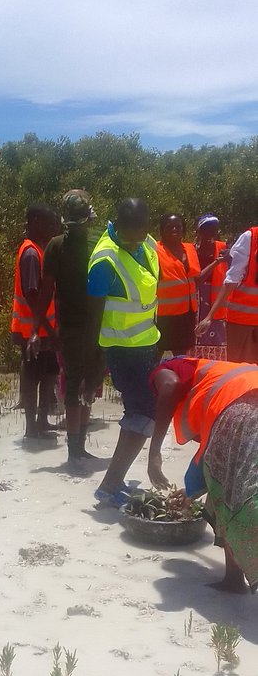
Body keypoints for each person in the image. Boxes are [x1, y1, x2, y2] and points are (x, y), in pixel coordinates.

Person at [148, 355, 258, 592]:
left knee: (228, 495)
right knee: (233, 486)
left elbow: (169, 385)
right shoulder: (218, 373)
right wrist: (190, 490)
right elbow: (209, 456)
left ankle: (235, 578)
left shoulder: (168, 369)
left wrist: (153, 453)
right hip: (245, 410)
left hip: (242, 415)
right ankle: (233, 578)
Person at [87, 198, 160, 506]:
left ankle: (113, 482)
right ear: (118, 224)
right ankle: (109, 485)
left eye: (141, 232)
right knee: (143, 416)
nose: (136, 239)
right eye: (130, 233)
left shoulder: (148, 243)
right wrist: (93, 365)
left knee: (144, 413)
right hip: (122, 351)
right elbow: (92, 315)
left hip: (147, 345)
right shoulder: (104, 260)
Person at [33, 189, 103, 468]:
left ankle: (77, 448)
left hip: (79, 328)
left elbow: (45, 292)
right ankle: (76, 449)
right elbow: (46, 290)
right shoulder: (95, 243)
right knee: (80, 387)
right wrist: (44, 330)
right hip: (88, 328)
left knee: (82, 387)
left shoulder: (57, 245)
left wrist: (43, 329)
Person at [11, 205, 59, 439]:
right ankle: (31, 426)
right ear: (36, 222)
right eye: (50, 224)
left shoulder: (39, 250)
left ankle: (42, 420)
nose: (53, 229)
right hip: (34, 330)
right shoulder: (30, 253)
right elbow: (31, 295)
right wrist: (47, 329)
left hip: (43, 328)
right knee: (32, 377)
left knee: (49, 373)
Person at [197, 224, 258, 364]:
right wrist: (210, 316)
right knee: (240, 372)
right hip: (243, 324)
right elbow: (231, 280)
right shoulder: (251, 238)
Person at [156, 214, 203, 354]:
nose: (175, 229)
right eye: (170, 227)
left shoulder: (189, 249)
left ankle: (180, 376)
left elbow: (196, 279)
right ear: (162, 230)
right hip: (164, 315)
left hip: (187, 313)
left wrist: (217, 262)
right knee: (157, 354)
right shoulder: (155, 251)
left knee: (182, 355)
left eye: (178, 226)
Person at [194, 214, 229, 356]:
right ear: (199, 231)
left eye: (213, 229)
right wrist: (216, 262)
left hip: (217, 304)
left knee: (218, 339)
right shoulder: (192, 251)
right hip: (197, 301)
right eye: (206, 229)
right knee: (196, 335)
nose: (210, 232)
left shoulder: (224, 249)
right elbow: (197, 280)